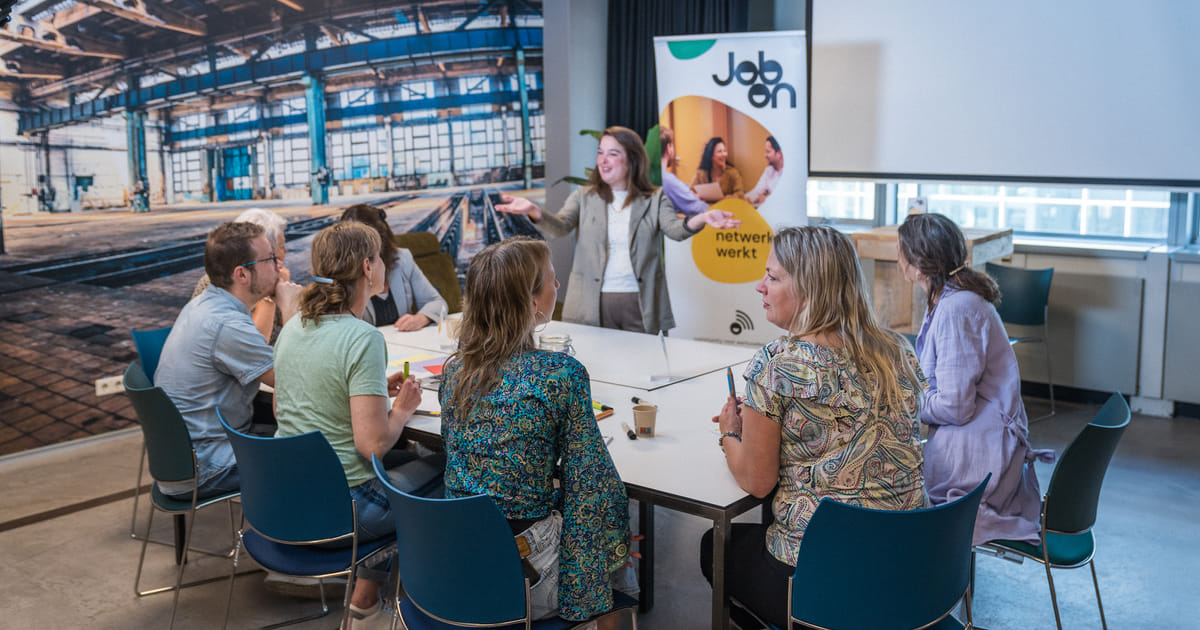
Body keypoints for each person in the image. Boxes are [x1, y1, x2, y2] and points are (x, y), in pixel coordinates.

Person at [700, 225, 927, 629]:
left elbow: (757, 482)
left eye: (772, 277)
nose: (759, 286)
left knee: (712, 548)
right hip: (910, 568)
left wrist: (730, 433)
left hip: (826, 583)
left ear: (808, 289)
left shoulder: (778, 364)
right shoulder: (897, 350)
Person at [439, 237, 631, 628]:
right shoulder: (561, 374)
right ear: (530, 304)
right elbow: (591, 485)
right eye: (551, 281)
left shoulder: (455, 371)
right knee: (616, 545)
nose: (557, 287)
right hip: (523, 572)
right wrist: (615, 543)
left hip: (454, 561)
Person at [272, 222, 444, 619]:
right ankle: (430, 606)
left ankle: (365, 600)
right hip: (343, 508)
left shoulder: (295, 325)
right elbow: (372, 446)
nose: (385, 263)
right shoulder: (362, 338)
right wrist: (400, 409)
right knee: (452, 468)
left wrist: (372, 388)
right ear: (368, 268)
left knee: (404, 467)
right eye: (381, 257)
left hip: (288, 500)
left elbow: (287, 410)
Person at [897, 212, 1053, 546]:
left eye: (901, 250)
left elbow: (955, 408)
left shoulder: (956, 308)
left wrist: (903, 401)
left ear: (917, 266)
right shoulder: (950, 297)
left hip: (982, 449)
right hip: (980, 435)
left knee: (892, 491)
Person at [495, 125, 741, 334]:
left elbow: (676, 230)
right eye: (600, 152)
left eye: (612, 153)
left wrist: (704, 217)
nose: (603, 160)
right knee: (597, 370)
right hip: (592, 301)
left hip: (639, 301)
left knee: (641, 371)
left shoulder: (654, 198)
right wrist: (534, 210)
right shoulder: (584, 196)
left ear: (632, 159)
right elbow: (560, 227)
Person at [155, 221, 302, 500]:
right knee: (320, 454)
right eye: (270, 258)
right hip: (206, 465)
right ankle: (302, 534)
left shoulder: (206, 304)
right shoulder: (227, 325)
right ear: (242, 274)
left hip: (185, 457)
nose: (279, 264)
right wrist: (288, 307)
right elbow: (296, 380)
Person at [339, 203, 448, 331]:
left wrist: (421, 318)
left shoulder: (402, 258)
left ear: (382, 241)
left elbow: (438, 303)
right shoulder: (342, 273)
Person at [192, 208, 290, 343]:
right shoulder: (213, 285)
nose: (285, 251)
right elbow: (253, 347)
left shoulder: (273, 279)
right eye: (282, 246)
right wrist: (269, 296)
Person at [658, 126, 710, 216]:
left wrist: (687, 195)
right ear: (668, 148)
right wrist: (694, 199)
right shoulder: (667, 180)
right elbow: (697, 209)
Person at [746, 136, 783, 207]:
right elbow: (757, 191)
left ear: (779, 154)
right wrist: (746, 198)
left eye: (768, 152)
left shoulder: (789, 173)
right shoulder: (769, 170)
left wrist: (767, 200)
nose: (765, 155)